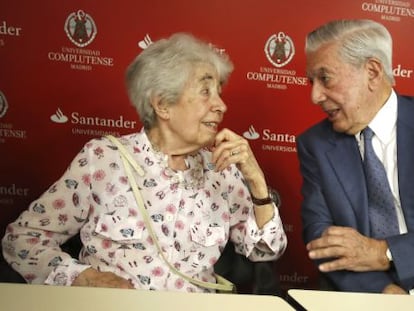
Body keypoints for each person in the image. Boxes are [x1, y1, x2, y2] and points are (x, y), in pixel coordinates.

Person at [2, 33, 287, 292]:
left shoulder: (222, 169)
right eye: (205, 92)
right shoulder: (103, 159)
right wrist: (84, 276)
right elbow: (23, 239)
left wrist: (256, 180)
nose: (221, 105)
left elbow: (265, 252)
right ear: (162, 104)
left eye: (219, 93)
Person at [297, 19, 414, 295]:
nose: (315, 95)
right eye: (310, 81)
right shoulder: (315, 144)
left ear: (372, 72)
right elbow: (321, 237)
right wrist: (384, 292)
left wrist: (385, 252)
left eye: (325, 78)